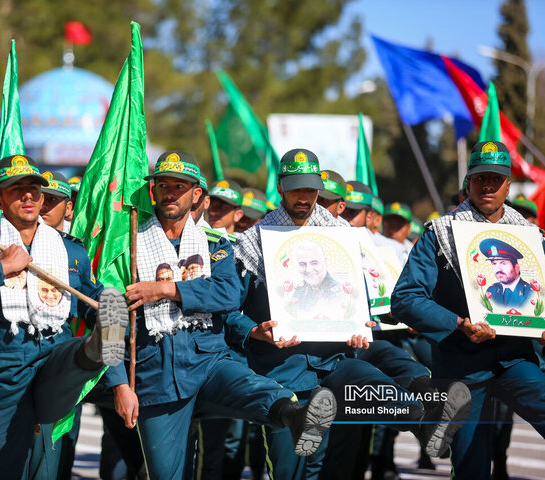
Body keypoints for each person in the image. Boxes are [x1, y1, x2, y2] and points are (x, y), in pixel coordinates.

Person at [230, 148, 470, 479]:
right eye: (296, 188)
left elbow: (352, 295)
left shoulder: (340, 237)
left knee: (374, 383)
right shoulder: (253, 242)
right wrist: (254, 330)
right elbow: (228, 311)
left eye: (311, 189)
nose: (304, 197)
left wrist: (360, 321)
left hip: (334, 364)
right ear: (281, 186)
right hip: (283, 376)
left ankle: (424, 424)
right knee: (292, 471)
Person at [104, 150, 337, 479]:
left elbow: (227, 294)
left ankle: (296, 416)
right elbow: (110, 316)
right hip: (154, 372)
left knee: (260, 390)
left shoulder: (215, 245)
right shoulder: (128, 246)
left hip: (209, 361)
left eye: (180, 186)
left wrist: (167, 289)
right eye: (164, 185)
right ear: (153, 190)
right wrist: (119, 386)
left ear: (196, 194)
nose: (170, 192)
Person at [0, 154, 128, 479]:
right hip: (3, 379)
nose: (28, 195)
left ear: (42, 199)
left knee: (74, 354)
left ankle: (96, 350)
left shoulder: (70, 250)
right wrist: (2, 267)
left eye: (34, 190)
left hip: (52, 364)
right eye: (17, 189)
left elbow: (89, 298)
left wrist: (110, 306)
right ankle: (92, 350)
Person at [391, 140, 545, 479]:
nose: (487, 186)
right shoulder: (440, 234)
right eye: (479, 178)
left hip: (515, 359)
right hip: (461, 366)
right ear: (467, 183)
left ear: (508, 184)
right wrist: (459, 323)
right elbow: (405, 298)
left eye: (495, 178)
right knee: (471, 467)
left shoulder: (532, 238)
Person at [480, 239, 532, 309]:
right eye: (494, 264)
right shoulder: (491, 290)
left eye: (503, 263)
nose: (498, 269)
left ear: (516, 268)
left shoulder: (530, 292)